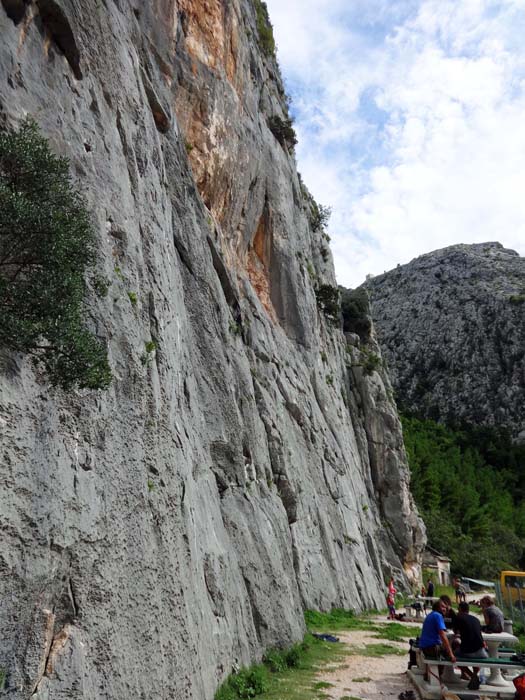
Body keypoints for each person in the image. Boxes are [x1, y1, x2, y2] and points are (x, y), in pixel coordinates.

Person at [453, 601, 488, 690]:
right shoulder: (476, 619)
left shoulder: (458, 617)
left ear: (460, 609)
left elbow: (455, 632)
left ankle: (472, 676)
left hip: (467, 651)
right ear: (468, 610)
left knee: (452, 655)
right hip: (481, 653)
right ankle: (475, 675)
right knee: (474, 650)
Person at [419, 599, 456, 682]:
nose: (445, 609)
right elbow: (443, 635)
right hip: (432, 648)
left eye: (446, 607)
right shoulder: (438, 616)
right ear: (437, 608)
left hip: (425, 647)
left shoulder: (430, 615)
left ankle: (429, 673)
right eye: (442, 607)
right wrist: (451, 654)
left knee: (445, 649)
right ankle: (439, 676)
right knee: (453, 648)